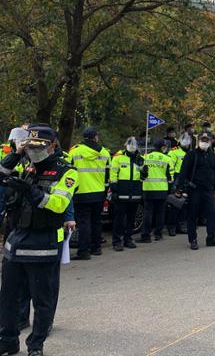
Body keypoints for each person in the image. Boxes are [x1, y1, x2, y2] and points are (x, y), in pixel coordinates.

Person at [0, 125, 78, 356]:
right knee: (8, 298)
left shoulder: (66, 171)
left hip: (43, 242)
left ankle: (36, 345)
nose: (34, 151)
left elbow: (58, 205)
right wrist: (16, 153)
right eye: (31, 146)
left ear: (53, 145)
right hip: (16, 240)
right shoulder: (26, 165)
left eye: (39, 146)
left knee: (42, 300)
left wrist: (30, 192)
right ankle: (8, 340)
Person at [68, 127, 110, 260]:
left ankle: (84, 251)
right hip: (99, 192)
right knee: (96, 221)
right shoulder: (105, 153)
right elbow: (107, 174)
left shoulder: (75, 151)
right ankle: (96, 248)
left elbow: (68, 171)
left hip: (81, 192)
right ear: (95, 137)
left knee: (83, 222)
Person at [178, 132, 215, 250]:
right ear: (198, 141)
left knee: (213, 213)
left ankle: (211, 238)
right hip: (194, 190)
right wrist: (179, 188)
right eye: (202, 140)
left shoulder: (212, 155)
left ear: (209, 142)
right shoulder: (192, 154)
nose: (204, 142)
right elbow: (183, 172)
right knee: (192, 215)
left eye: (206, 140)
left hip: (208, 190)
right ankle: (193, 240)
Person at [109, 137, 147, 251]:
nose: (132, 146)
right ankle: (116, 241)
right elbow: (113, 174)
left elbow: (143, 177)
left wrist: (144, 171)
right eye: (130, 144)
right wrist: (114, 190)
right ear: (125, 145)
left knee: (131, 219)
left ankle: (128, 239)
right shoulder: (118, 158)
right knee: (119, 219)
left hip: (135, 194)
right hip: (121, 193)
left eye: (134, 144)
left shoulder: (140, 159)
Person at [138, 138, 173, 243]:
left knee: (148, 213)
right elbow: (170, 177)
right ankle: (158, 234)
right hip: (162, 189)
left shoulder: (145, 157)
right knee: (160, 213)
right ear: (162, 147)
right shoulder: (167, 159)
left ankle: (146, 236)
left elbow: (141, 175)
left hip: (148, 189)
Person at [166, 133, 191, 235]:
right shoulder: (174, 152)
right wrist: (172, 183)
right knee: (175, 204)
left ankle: (181, 225)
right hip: (177, 179)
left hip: (187, 180)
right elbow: (170, 167)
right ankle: (171, 227)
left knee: (185, 204)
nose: (186, 144)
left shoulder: (190, 153)